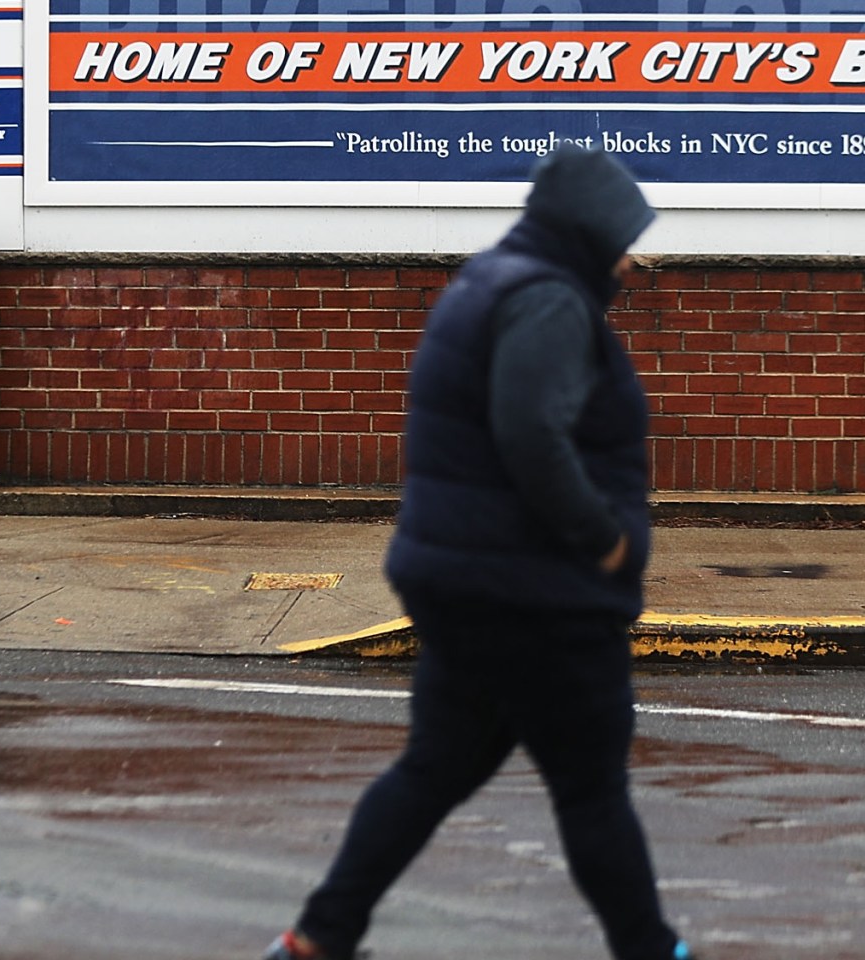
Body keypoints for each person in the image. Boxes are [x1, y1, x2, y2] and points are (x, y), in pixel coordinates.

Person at [265, 149, 695, 960]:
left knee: (433, 770)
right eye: (625, 240)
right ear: (589, 231)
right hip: (536, 594)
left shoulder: (491, 281)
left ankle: (318, 939)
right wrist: (603, 539)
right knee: (592, 792)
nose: (633, 261)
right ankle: (651, 950)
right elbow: (530, 433)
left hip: (471, 582)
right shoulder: (548, 302)